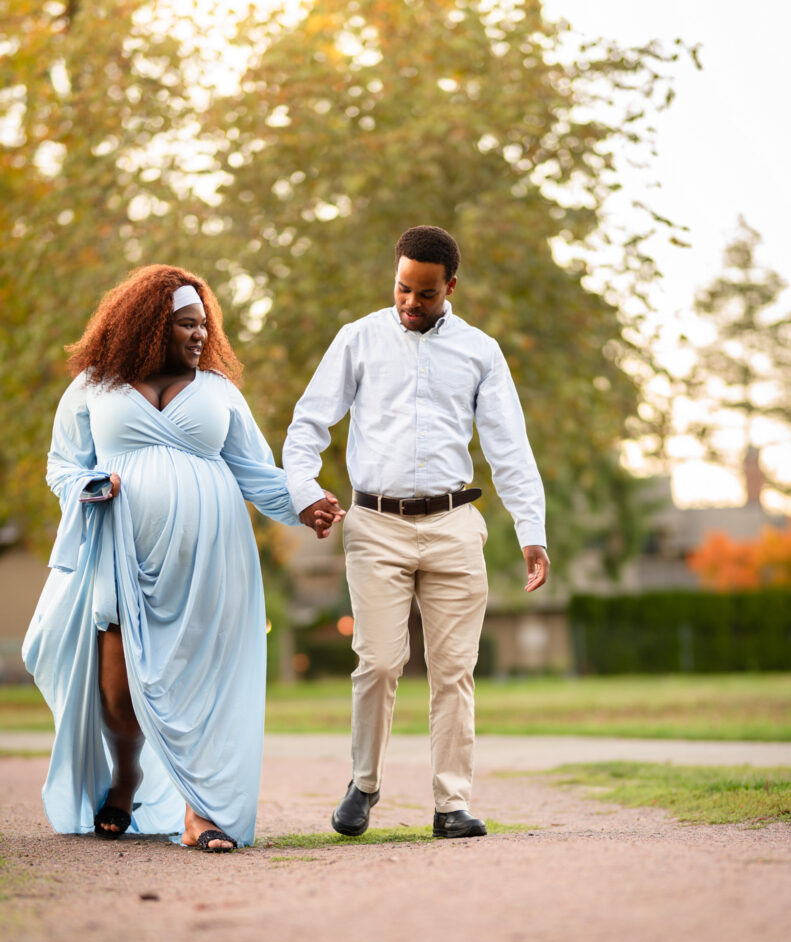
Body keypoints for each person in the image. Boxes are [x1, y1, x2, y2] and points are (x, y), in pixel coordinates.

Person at [23, 265, 341, 851]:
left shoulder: (219, 391)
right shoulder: (95, 386)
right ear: (148, 327)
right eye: (185, 324)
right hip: (120, 558)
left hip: (209, 564)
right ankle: (127, 777)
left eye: (203, 324)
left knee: (203, 685)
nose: (200, 335)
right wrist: (90, 485)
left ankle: (202, 813)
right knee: (118, 697)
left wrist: (303, 505)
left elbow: (252, 470)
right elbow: (62, 465)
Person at [283, 225, 549, 839]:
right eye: (403, 288)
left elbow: (510, 448)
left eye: (425, 294)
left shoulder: (481, 351)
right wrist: (304, 493)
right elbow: (307, 425)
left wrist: (531, 530)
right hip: (375, 525)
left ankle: (450, 804)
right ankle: (364, 783)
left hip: (455, 524)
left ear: (449, 287)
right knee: (377, 662)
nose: (410, 302)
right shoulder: (358, 339)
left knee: (454, 670)